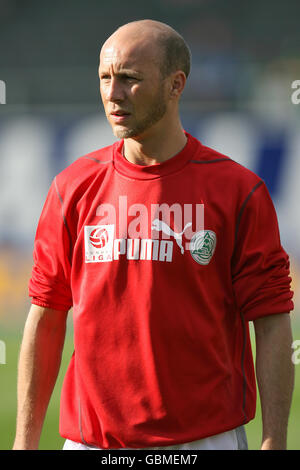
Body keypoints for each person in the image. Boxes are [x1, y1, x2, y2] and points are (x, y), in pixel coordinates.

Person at [13, 19, 294, 451]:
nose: (113, 93)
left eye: (130, 79)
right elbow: (46, 315)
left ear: (175, 84)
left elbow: (272, 321)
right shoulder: (71, 187)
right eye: (105, 78)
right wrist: (25, 441)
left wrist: (275, 438)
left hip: (205, 441)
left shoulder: (238, 191)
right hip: (93, 443)